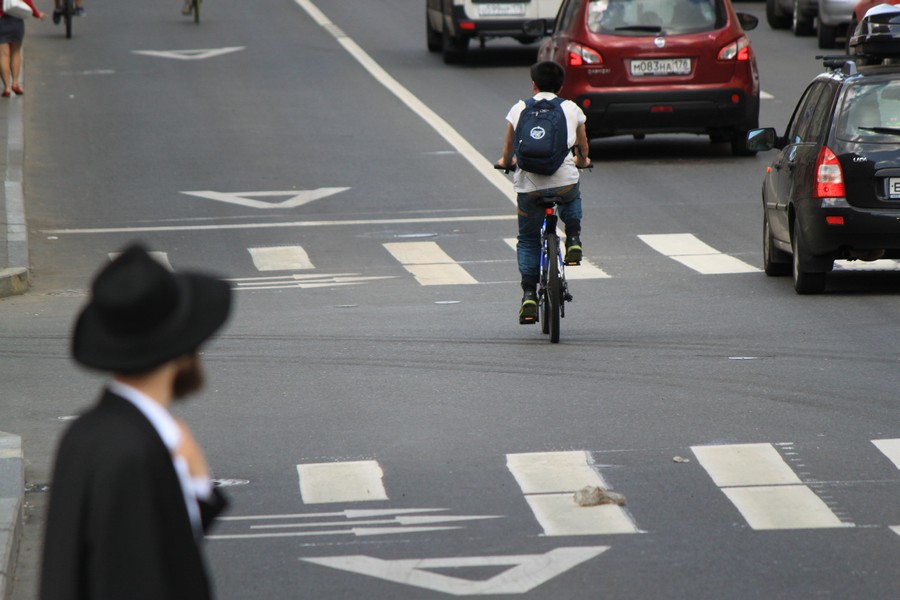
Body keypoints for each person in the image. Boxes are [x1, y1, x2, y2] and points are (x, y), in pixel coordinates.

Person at [40, 243, 233, 600]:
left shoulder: (86, 434)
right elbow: (138, 578)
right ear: (184, 348)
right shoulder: (133, 450)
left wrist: (197, 489)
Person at [497, 61, 591, 324]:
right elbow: (582, 145)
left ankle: (528, 293)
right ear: (561, 86)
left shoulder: (519, 108)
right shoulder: (570, 108)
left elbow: (508, 149)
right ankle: (573, 239)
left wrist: (505, 163)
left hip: (530, 186)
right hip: (563, 181)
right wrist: (583, 160)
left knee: (527, 239)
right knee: (572, 192)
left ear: (534, 84)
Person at [0, 0, 44, 98]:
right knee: (16, 52)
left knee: (3, 55)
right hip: (16, 21)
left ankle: (7, 87)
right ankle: (15, 83)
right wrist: (37, 14)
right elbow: (27, 2)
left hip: (1, 20)